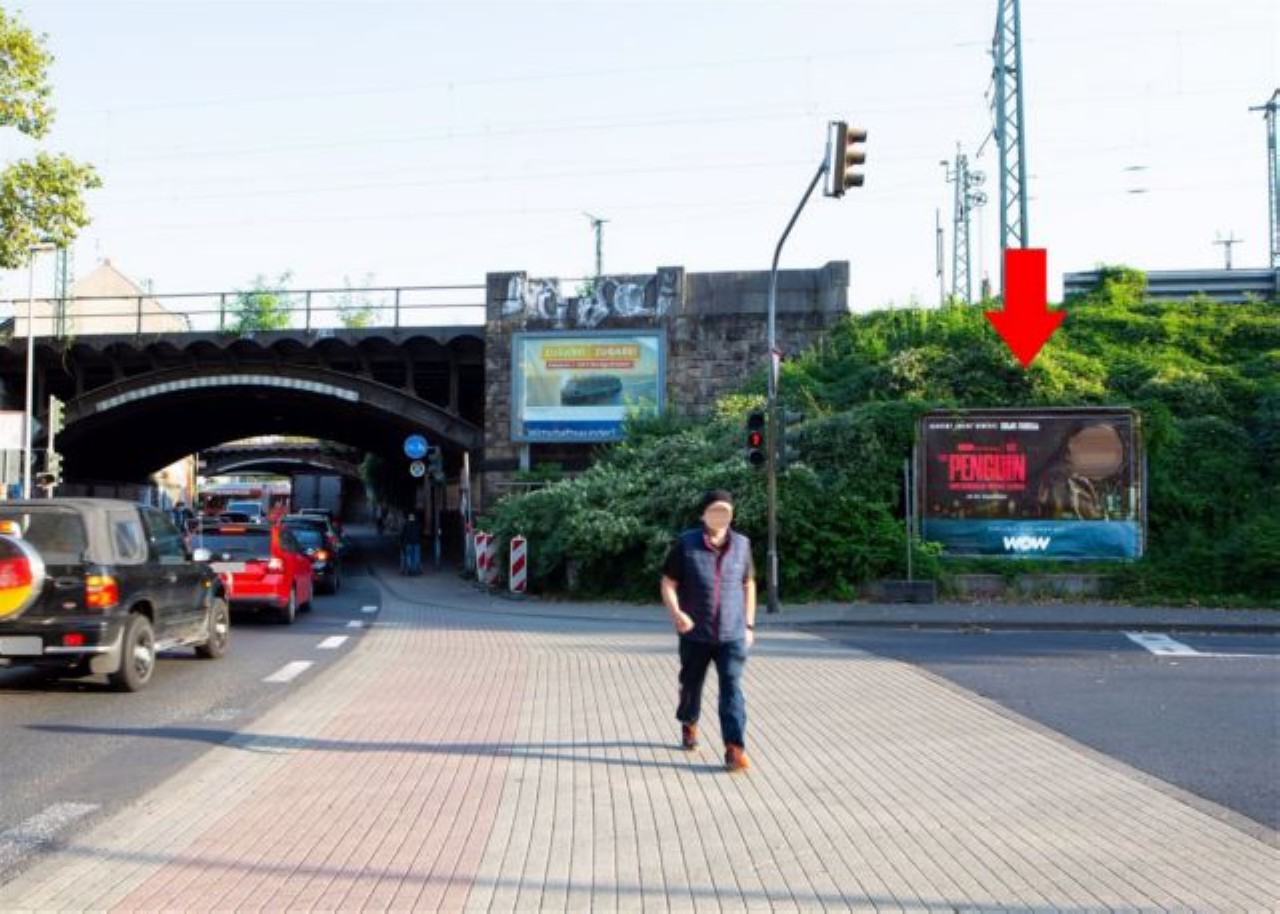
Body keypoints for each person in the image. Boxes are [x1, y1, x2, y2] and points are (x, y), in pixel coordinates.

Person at [659, 489, 757, 772]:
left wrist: (749, 624)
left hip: (732, 634)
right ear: (704, 515)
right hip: (695, 633)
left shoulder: (742, 544)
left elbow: (748, 584)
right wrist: (677, 613)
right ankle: (689, 722)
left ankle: (734, 749)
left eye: (725, 510)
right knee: (691, 685)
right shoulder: (686, 544)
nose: (720, 515)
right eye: (714, 510)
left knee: (732, 688)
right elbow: (668, 583)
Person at [400, 510, 423, 575]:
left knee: (408, 556)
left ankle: (409, 570)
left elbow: (403, 534)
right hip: (416, 542)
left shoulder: (406, 524)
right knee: (416, 557)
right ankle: (415, 570)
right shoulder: (418, 524)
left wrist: (402, 542)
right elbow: (420, 533)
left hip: (408, 543)